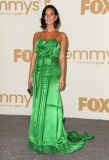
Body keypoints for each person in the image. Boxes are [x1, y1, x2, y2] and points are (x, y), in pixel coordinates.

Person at [28, 5, 94, 154]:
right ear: (43, 17)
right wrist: (30, 75)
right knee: (39, 104)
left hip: (53, 72)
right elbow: (33, 55)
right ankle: (38, 139)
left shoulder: (61, 36)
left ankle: (52, 139)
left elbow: (62, 58)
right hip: (38, 72)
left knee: (52, 104)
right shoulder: (37, 35)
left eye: (51, 14)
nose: (49, 17)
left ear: (56, 17)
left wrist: (63, 76)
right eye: (46, 14)